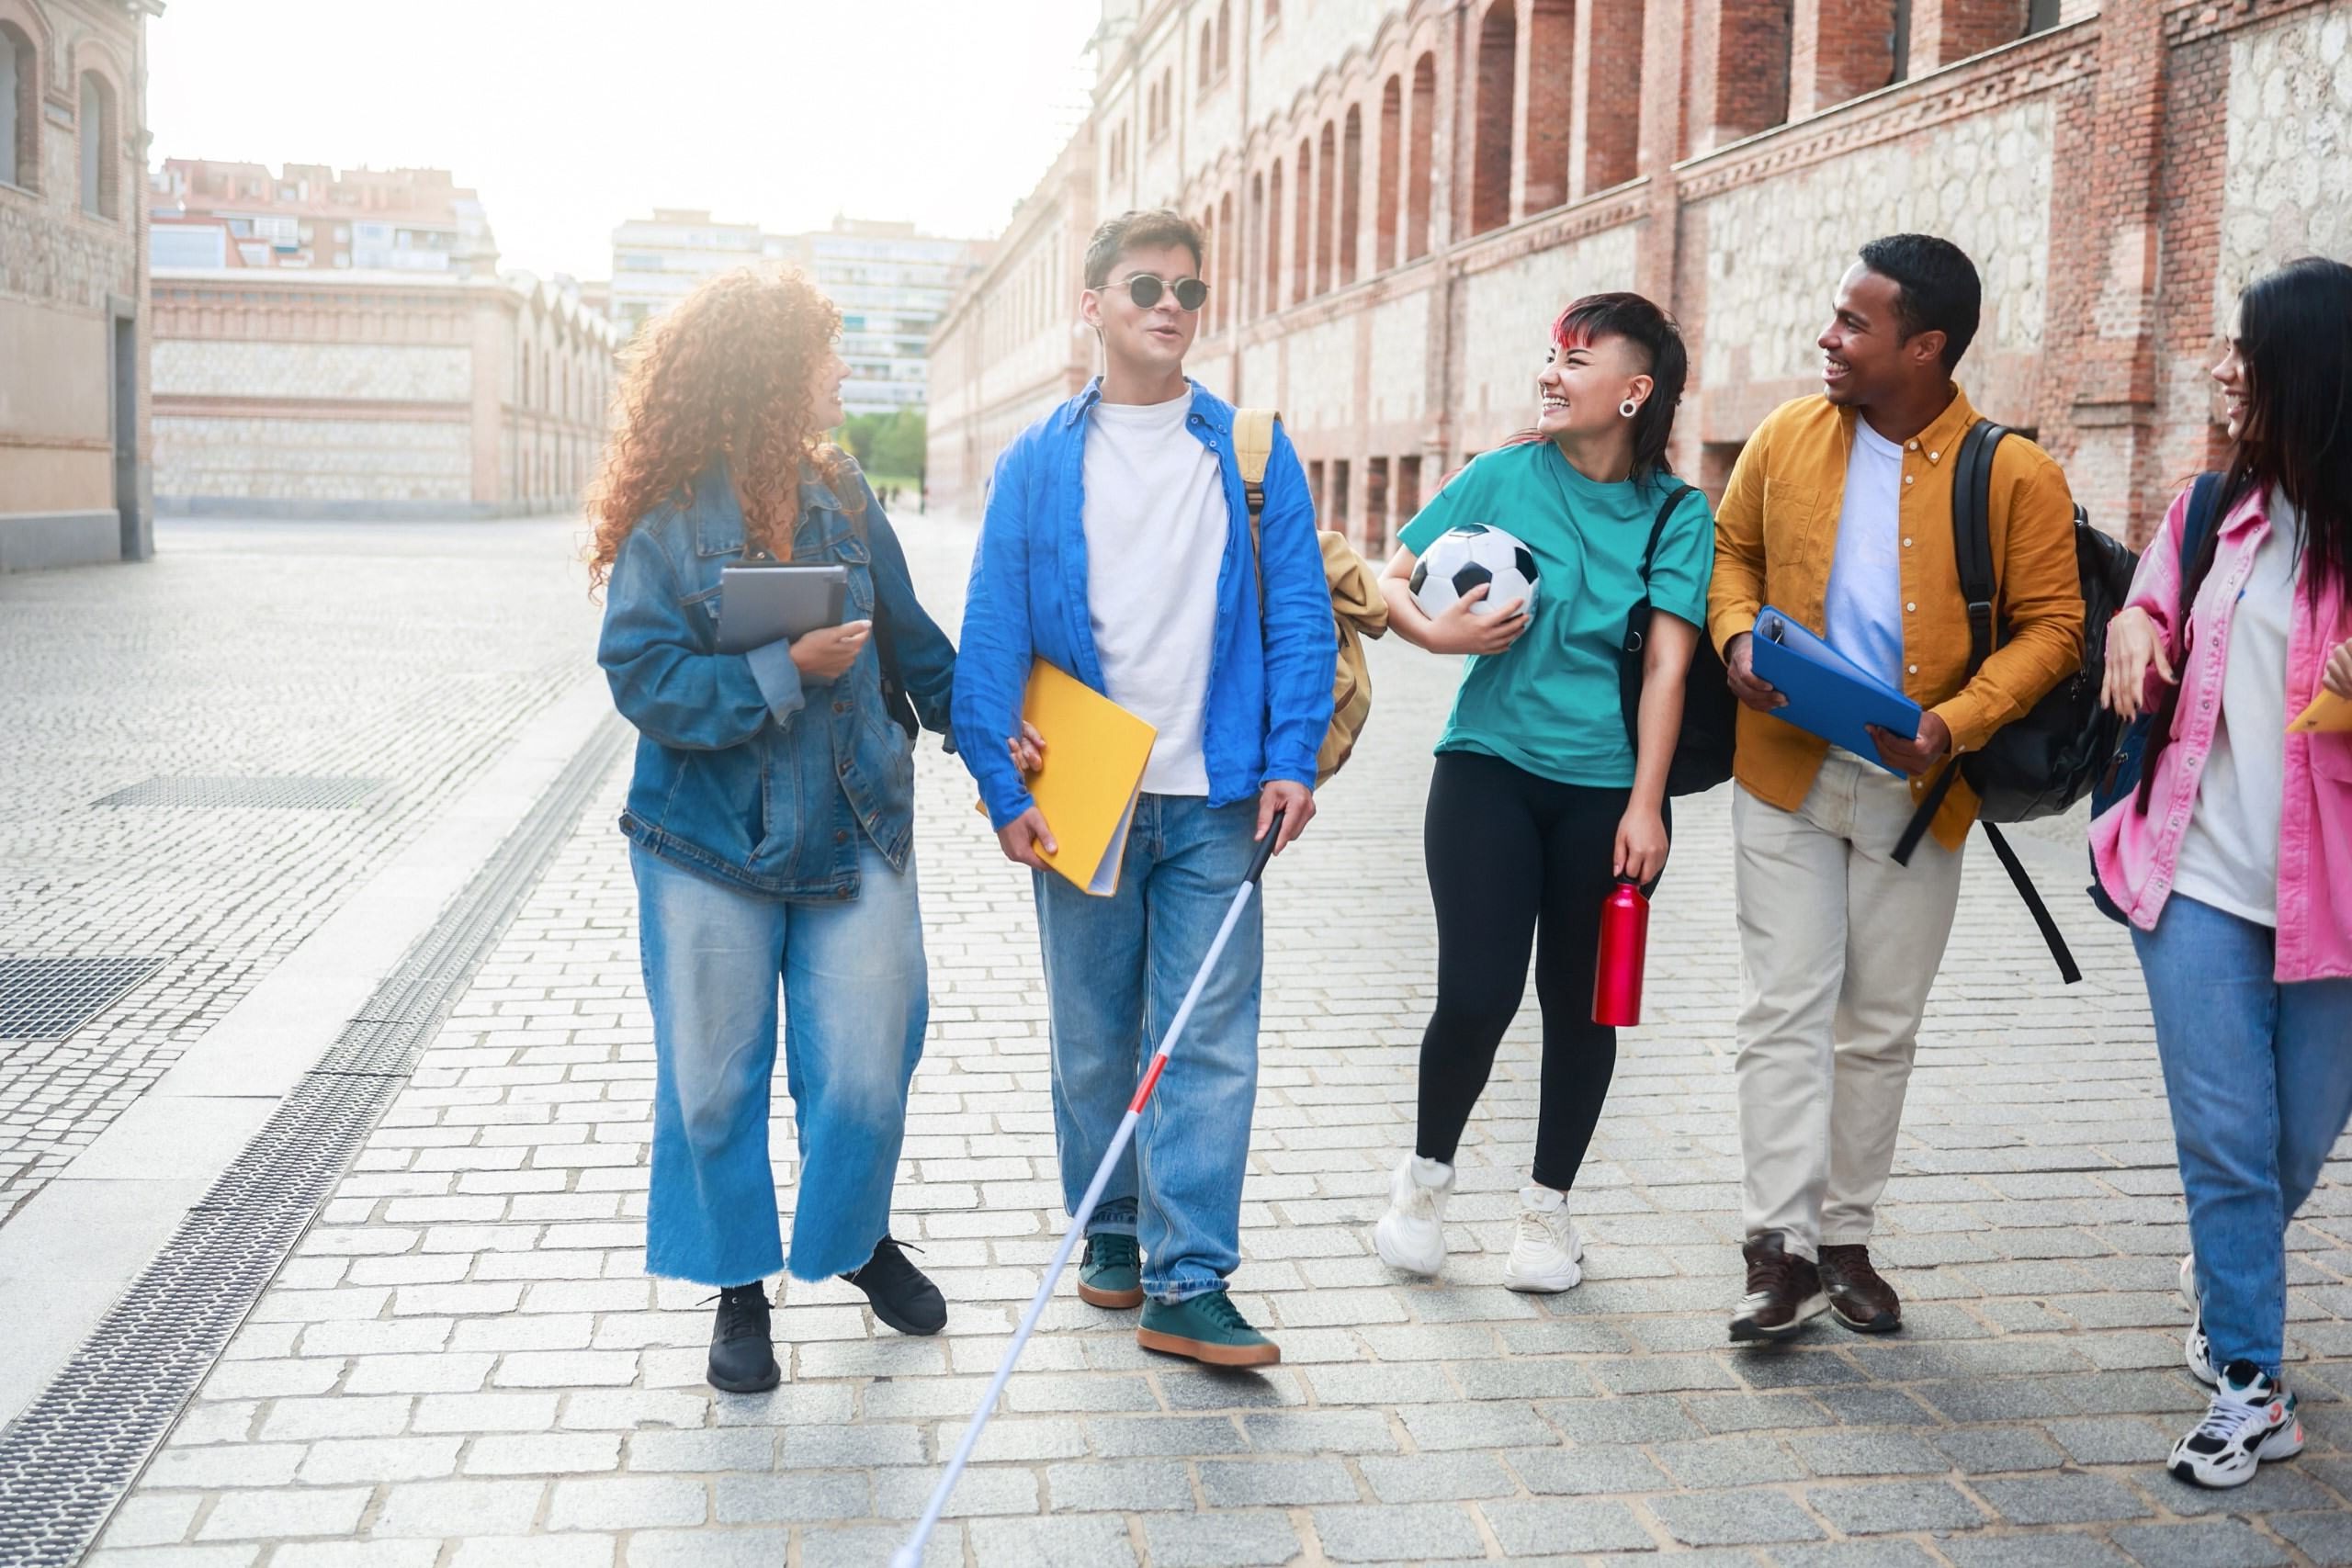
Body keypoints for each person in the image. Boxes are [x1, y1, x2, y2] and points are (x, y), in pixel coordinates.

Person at [953, 209, 1335, 1369]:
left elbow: (1300, 621)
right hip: (1085, 792)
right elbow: (991, 632)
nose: (1169, 305)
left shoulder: (1254, 452)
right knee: (1091, 1038)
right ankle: (1109, 1228)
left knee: (1208, 1037)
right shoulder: (1035, 461)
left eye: (1187, 288)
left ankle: (1189, 1278)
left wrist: (1289, 759)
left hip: (1218, 799)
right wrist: (996, 780)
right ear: (1094, 307)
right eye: (1143, 287)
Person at [589, 267, 959, 1393]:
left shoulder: (844, 494)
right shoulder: (668, 520)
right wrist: (778, 670)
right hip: (704, 842)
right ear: (766, 374)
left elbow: (916, 645)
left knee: (861, 1074)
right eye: (823, 353)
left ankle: (851, 1243)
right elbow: (640, 674)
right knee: (711, 1081)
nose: (840, 370)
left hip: (853, 825)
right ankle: (736, 1285)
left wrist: (998, 744)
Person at [1708, 234, 2083, 1342]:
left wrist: (1954, 722)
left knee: (1876, 1025)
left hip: (1923, 791)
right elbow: (1730, 552)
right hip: (1782, 770)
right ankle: (1773, 1248)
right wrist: (1735, 635)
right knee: (1782, 1008)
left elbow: (2056, 628)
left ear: (1923, 346)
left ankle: (1843, 1238)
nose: (1827, 338)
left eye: (1853, 323)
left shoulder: (2012, 472)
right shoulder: (1784, 436)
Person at [1367, 293, 1713, 1292]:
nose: (1550, 374)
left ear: (1634, 391)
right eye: (1548, 356)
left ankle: (1543, 1217)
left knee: (1582, 1008)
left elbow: (1665, 673)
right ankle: (1422, 1191)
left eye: (1575, 360)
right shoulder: (1504, 473)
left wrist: (1646, 805)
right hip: (1484, 769)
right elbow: (1391, 579)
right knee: (1476, 994)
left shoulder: (1677, 517)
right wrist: (1439, 634)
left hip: (1604, 798)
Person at [2092, 255, 2352, 1490]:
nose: (2226, 367)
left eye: (2248, 348)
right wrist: (2135, 626)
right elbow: (2148, 603)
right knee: (2232, 1138)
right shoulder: (2209, 511)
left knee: (2294, 1146)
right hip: (2194, 873)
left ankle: (2228, 1262)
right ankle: (2254, 1381)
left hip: (2338, 906)